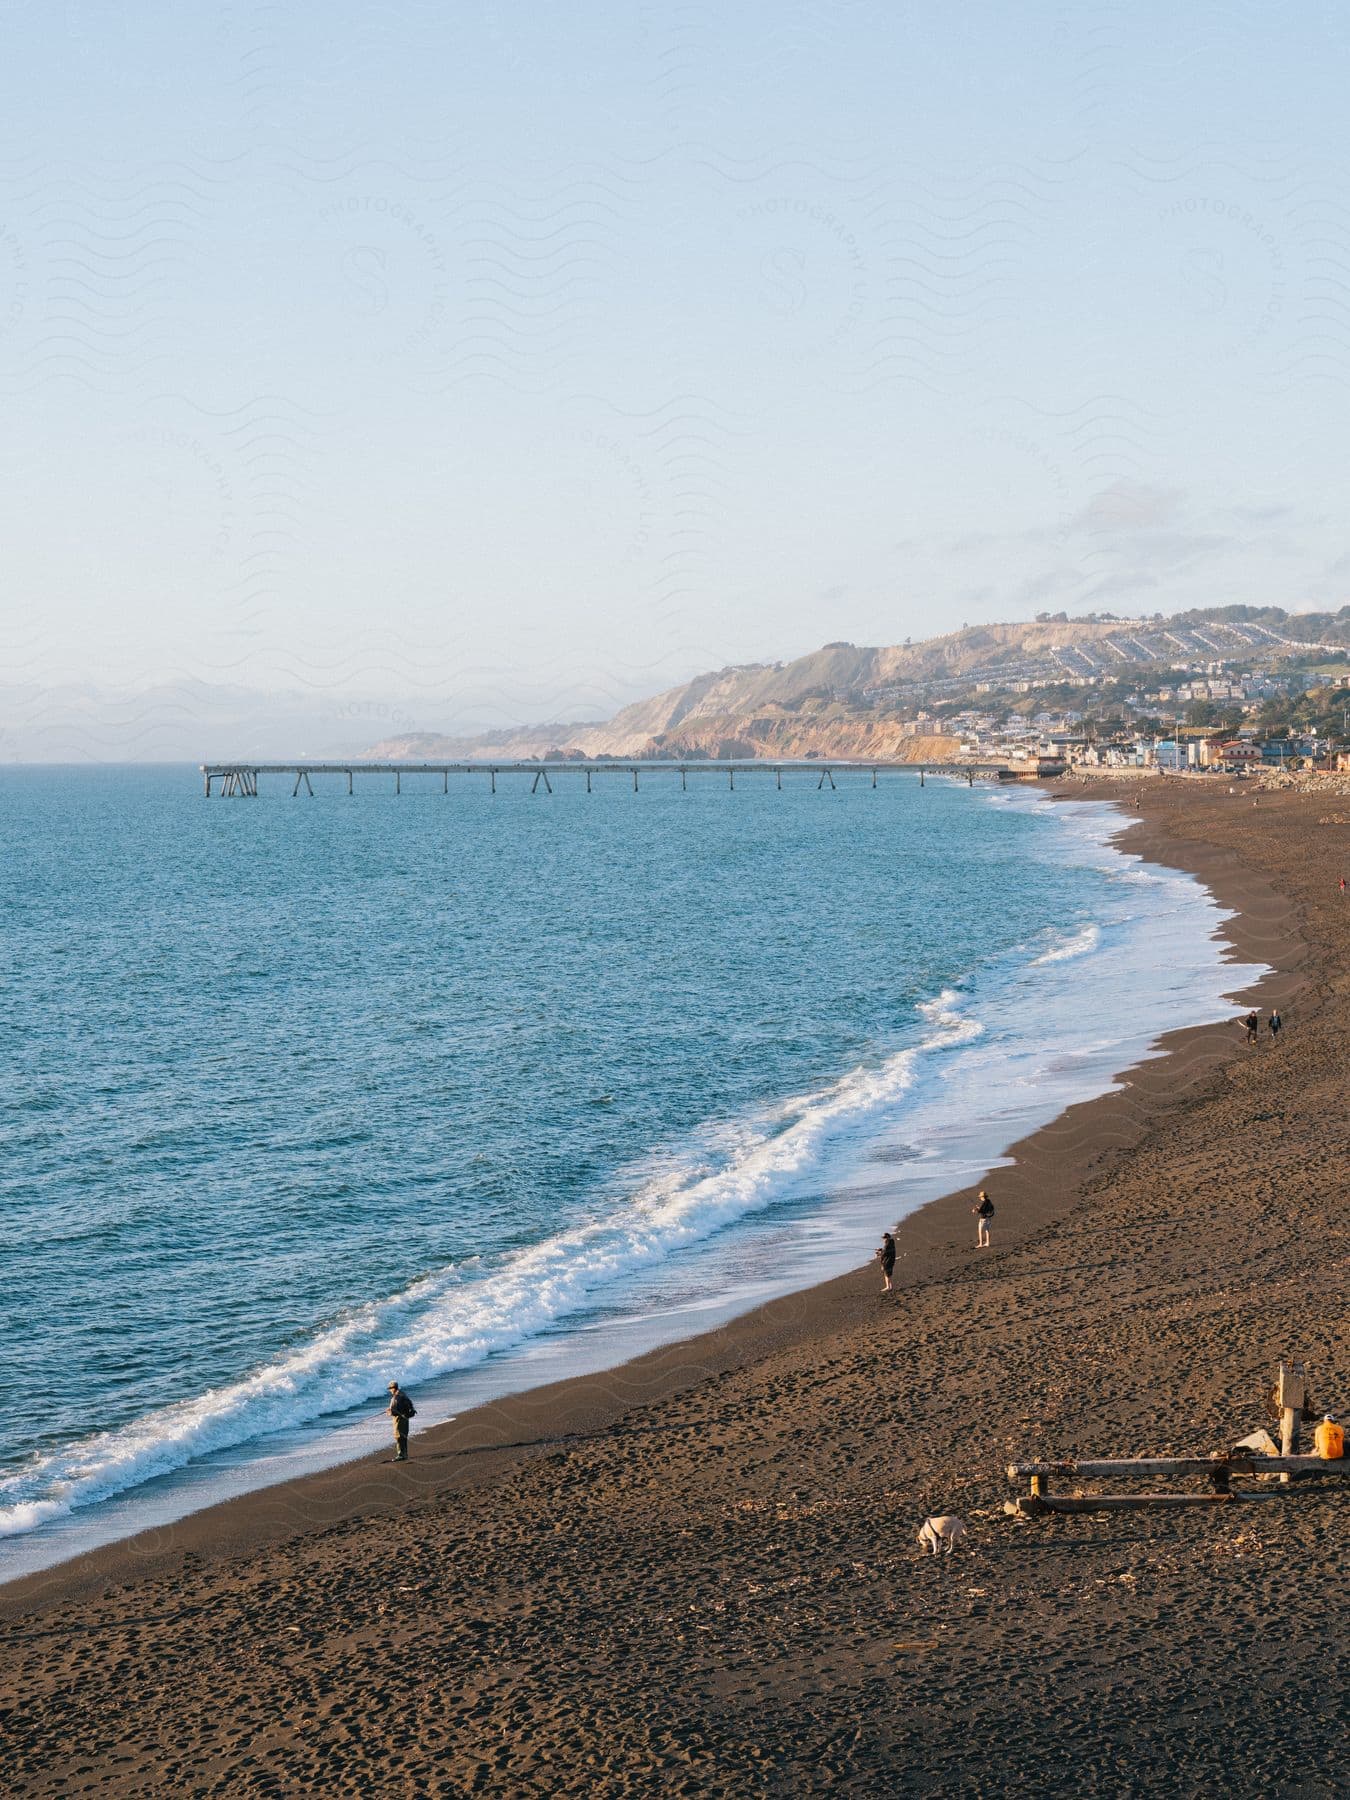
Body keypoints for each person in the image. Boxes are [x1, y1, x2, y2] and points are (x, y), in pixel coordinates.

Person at [386, 1380, 415, 1462]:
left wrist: (388, 1412)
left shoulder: (396, 1397)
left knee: (398, 1437)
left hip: (399, 1420)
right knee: (404, 1436)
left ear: (393, 1388)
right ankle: (405, 1454)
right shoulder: (403, 1394)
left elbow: (394, 1412)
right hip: (406, 1418)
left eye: (390, 1389)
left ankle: (401, 1455)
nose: (390, 1390)